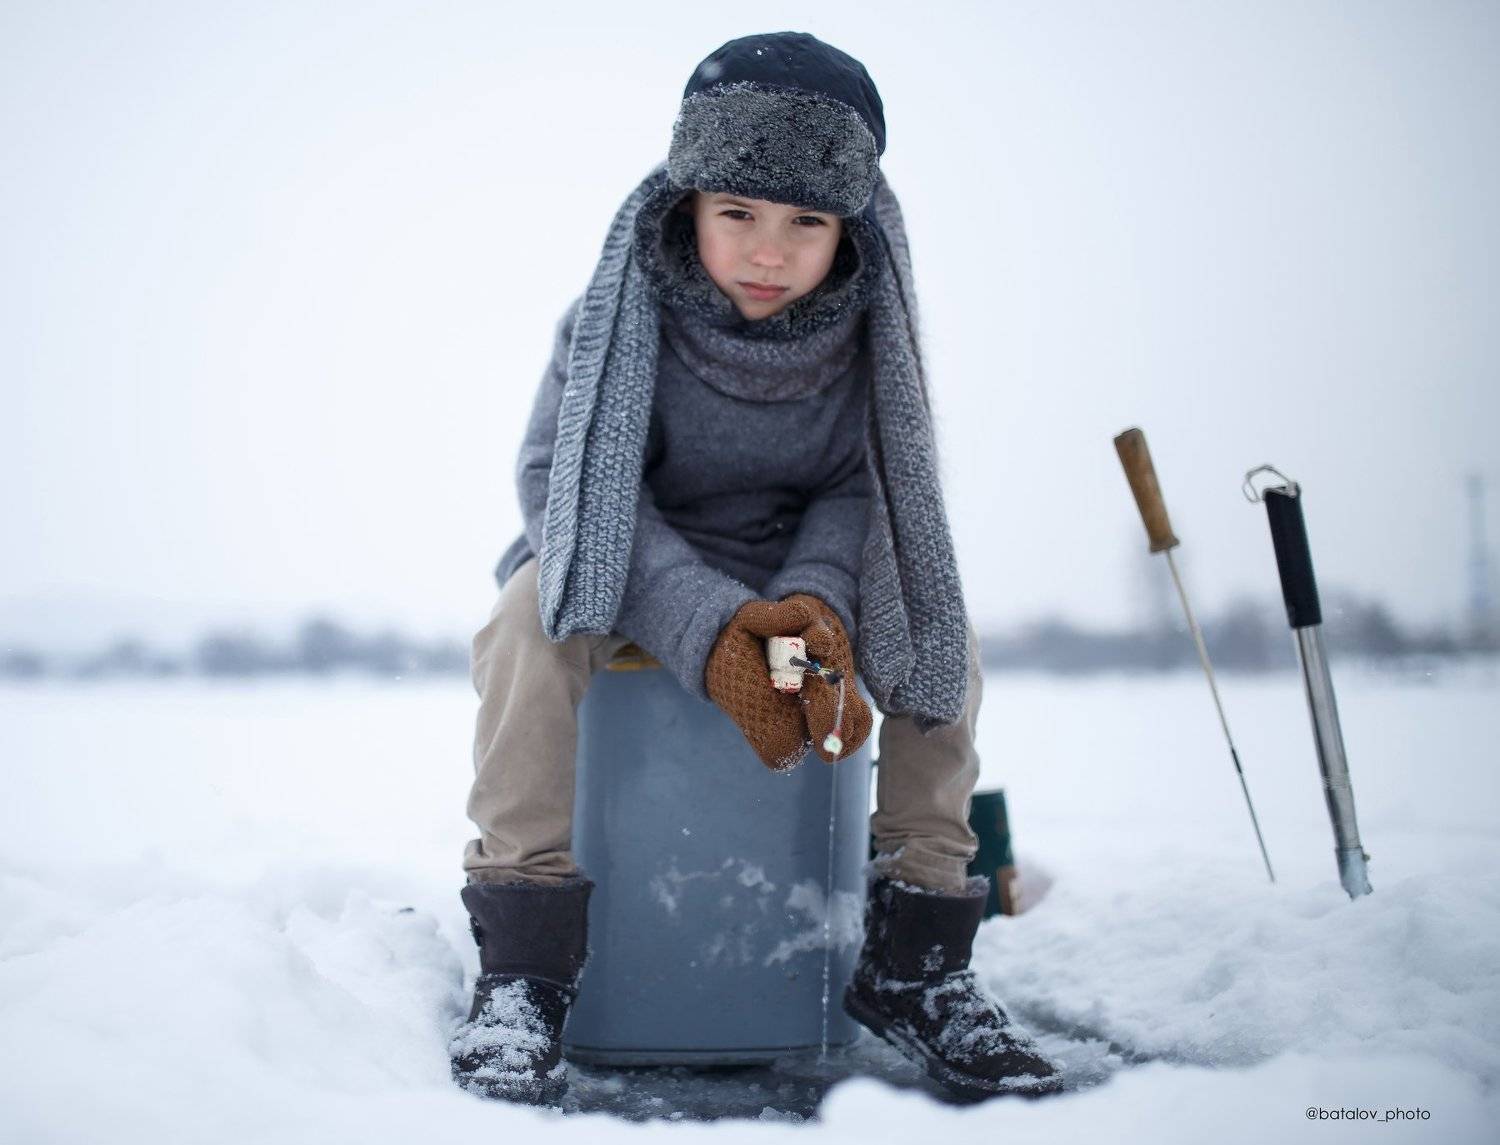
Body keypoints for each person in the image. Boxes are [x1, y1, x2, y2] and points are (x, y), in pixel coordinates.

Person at [448, 31, 1063, 1106]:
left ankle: (917, 955)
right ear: (688, 204)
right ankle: (526, 964)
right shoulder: (610, 318)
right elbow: (564, 484)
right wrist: (718, 624)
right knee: (522, 626)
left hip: (802, 585)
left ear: (851, 230)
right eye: (739, 213)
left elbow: (867, 493)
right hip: (625, 570)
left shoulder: (872, 344)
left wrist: (810, 611)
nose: (768, 252)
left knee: (937, 630)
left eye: (806, 223)